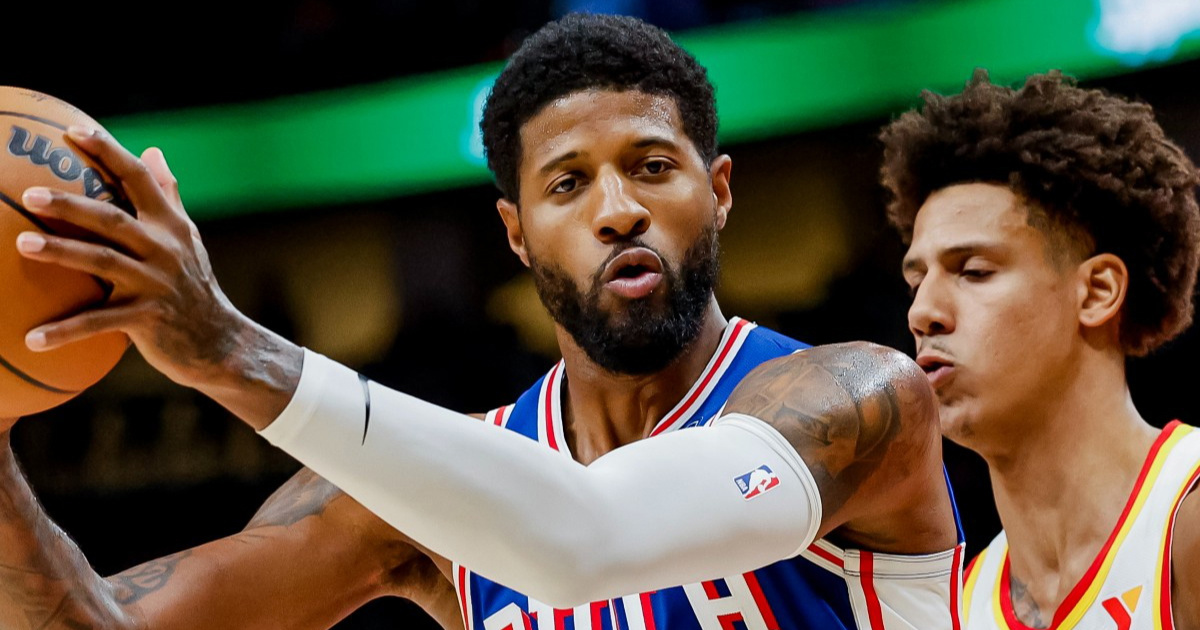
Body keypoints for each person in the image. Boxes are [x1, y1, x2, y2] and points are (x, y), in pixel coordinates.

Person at [3, 13, 962, 630]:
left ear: (718, 192)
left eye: (652, 167)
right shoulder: (424, 490)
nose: (617, 210)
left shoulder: (859, 401)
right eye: (567, 184)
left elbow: (589, 536)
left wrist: (228, 349)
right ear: (516, 233)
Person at [880, 70, 1200, 630]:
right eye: (916, 281)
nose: (922, 312)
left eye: (974, 272)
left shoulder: (1187, 520)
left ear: (1096, 292)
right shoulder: (961, 609)